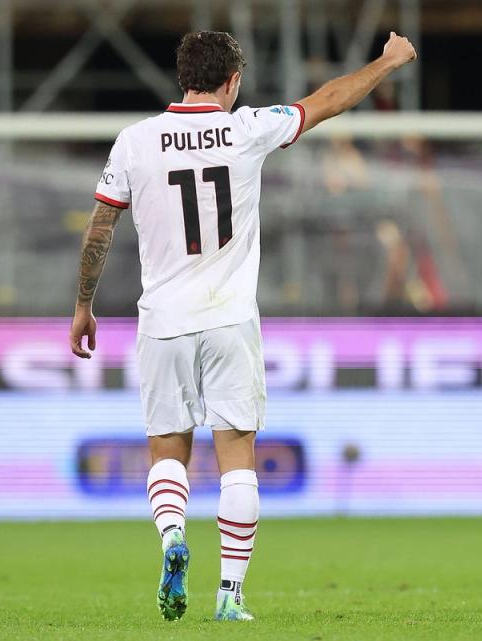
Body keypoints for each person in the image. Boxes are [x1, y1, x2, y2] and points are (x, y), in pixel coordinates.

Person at [69, 30, 416, 621]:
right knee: (237, 454)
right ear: (232, 81)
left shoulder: (135, 141)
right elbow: (329, 100)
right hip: (230, 318)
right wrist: (387, 61)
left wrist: (83, 304)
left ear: (183, 78)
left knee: (167, 450)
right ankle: (230, 596)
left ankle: (173, 538)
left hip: (164, 320)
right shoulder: (247, 128)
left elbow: (101, 227)